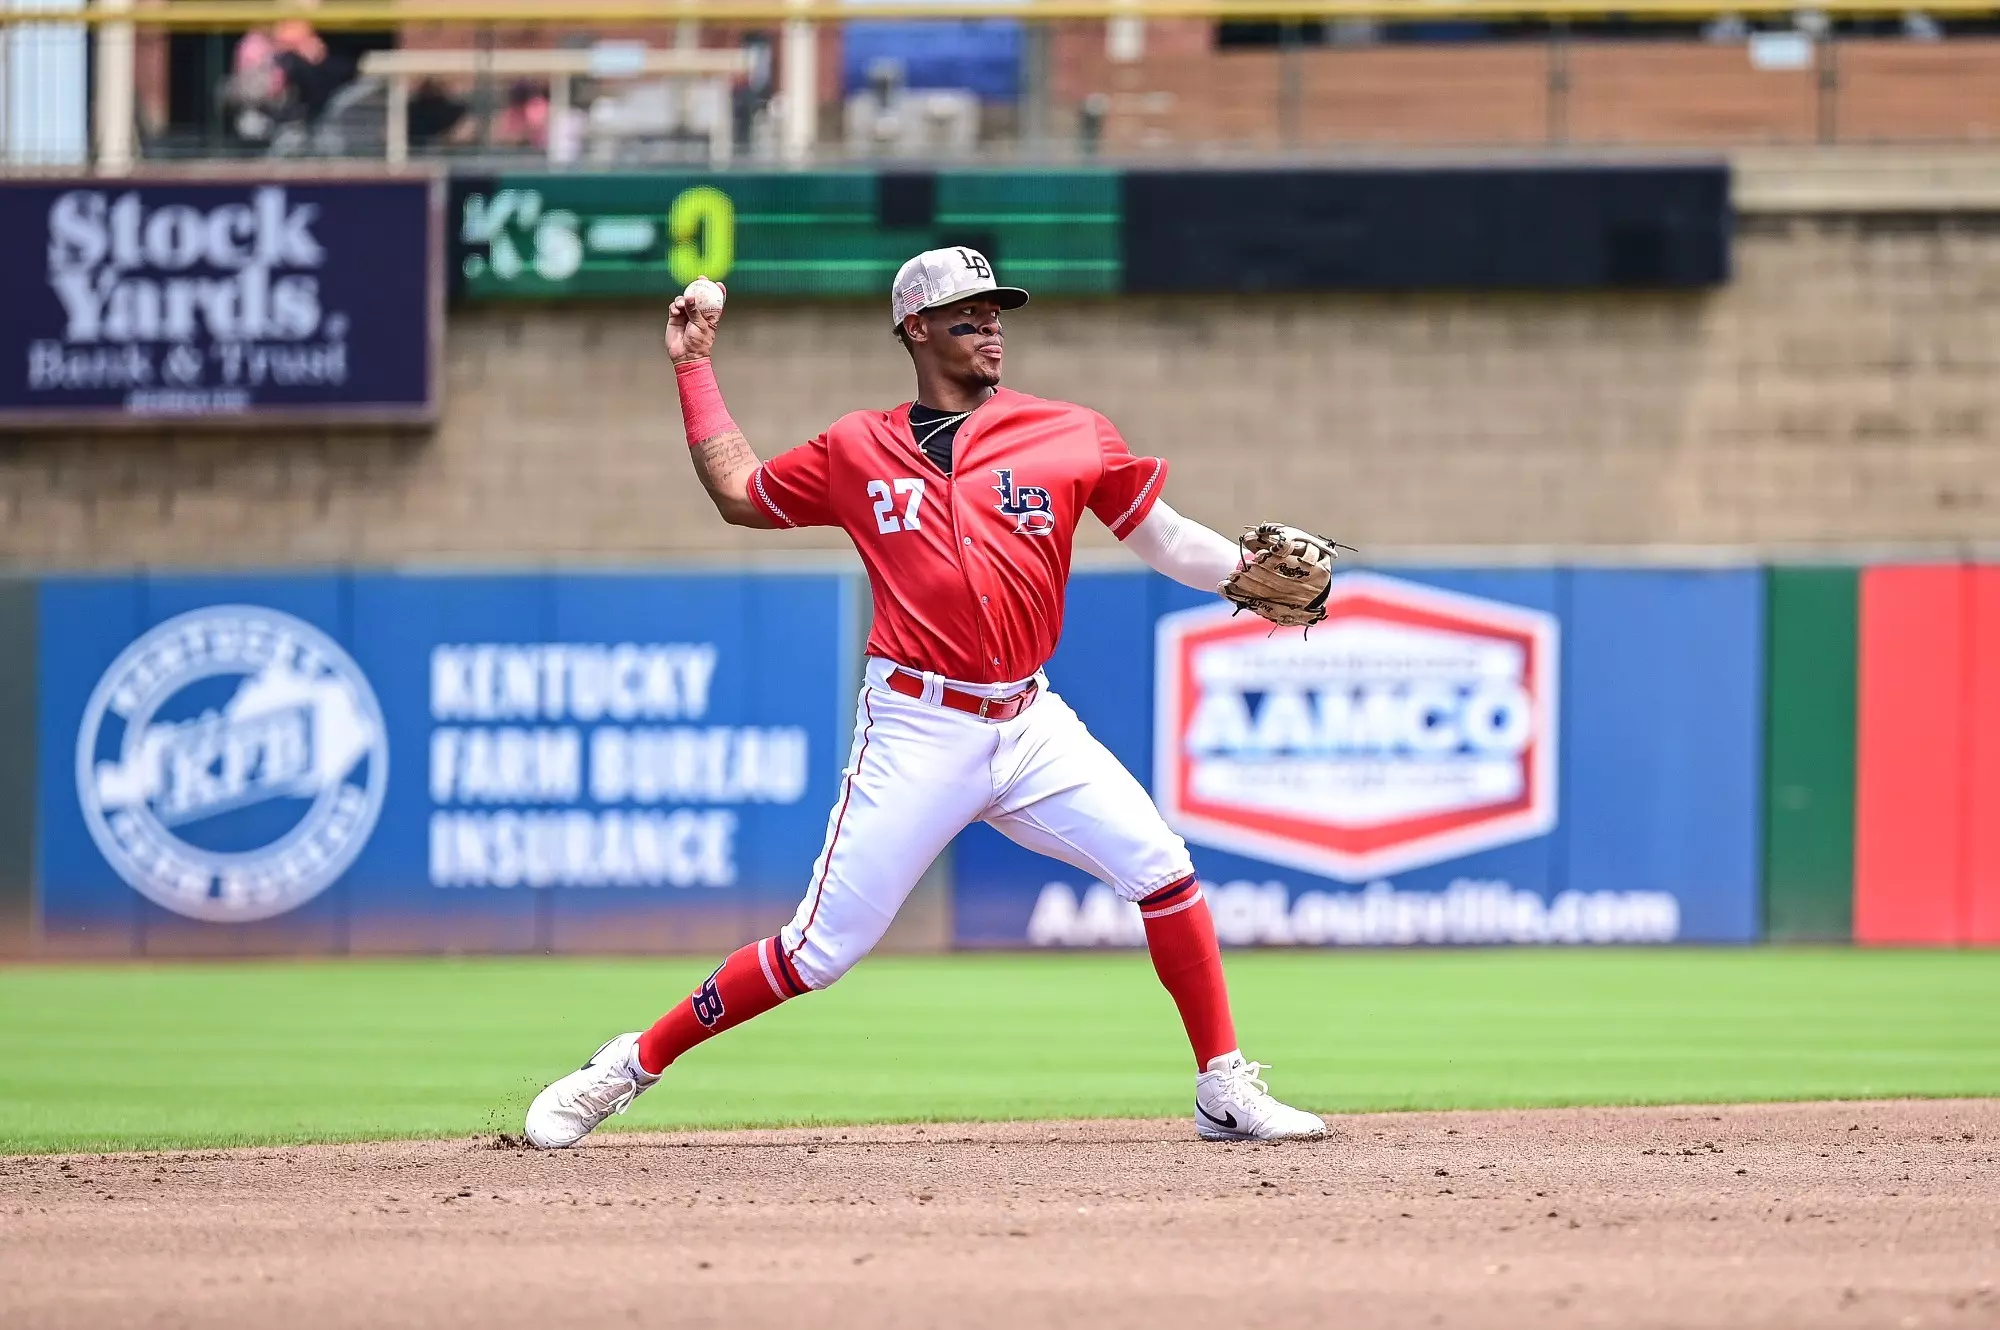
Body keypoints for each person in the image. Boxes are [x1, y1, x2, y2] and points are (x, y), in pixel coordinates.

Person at [525, 247, 1327, 1148]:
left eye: (997, 313)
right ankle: (628, 1065)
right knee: (817, 952)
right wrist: (694, 366)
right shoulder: (855, 447)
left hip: (1030, 721)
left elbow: (1167, 539)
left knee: (1163, 870)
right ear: (915, 327)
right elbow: (738, 494)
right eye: (968, 314)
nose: (991, 328)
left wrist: (1243, 571)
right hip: (917, 726)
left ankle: (1222, 1087)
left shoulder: (1069, 432)